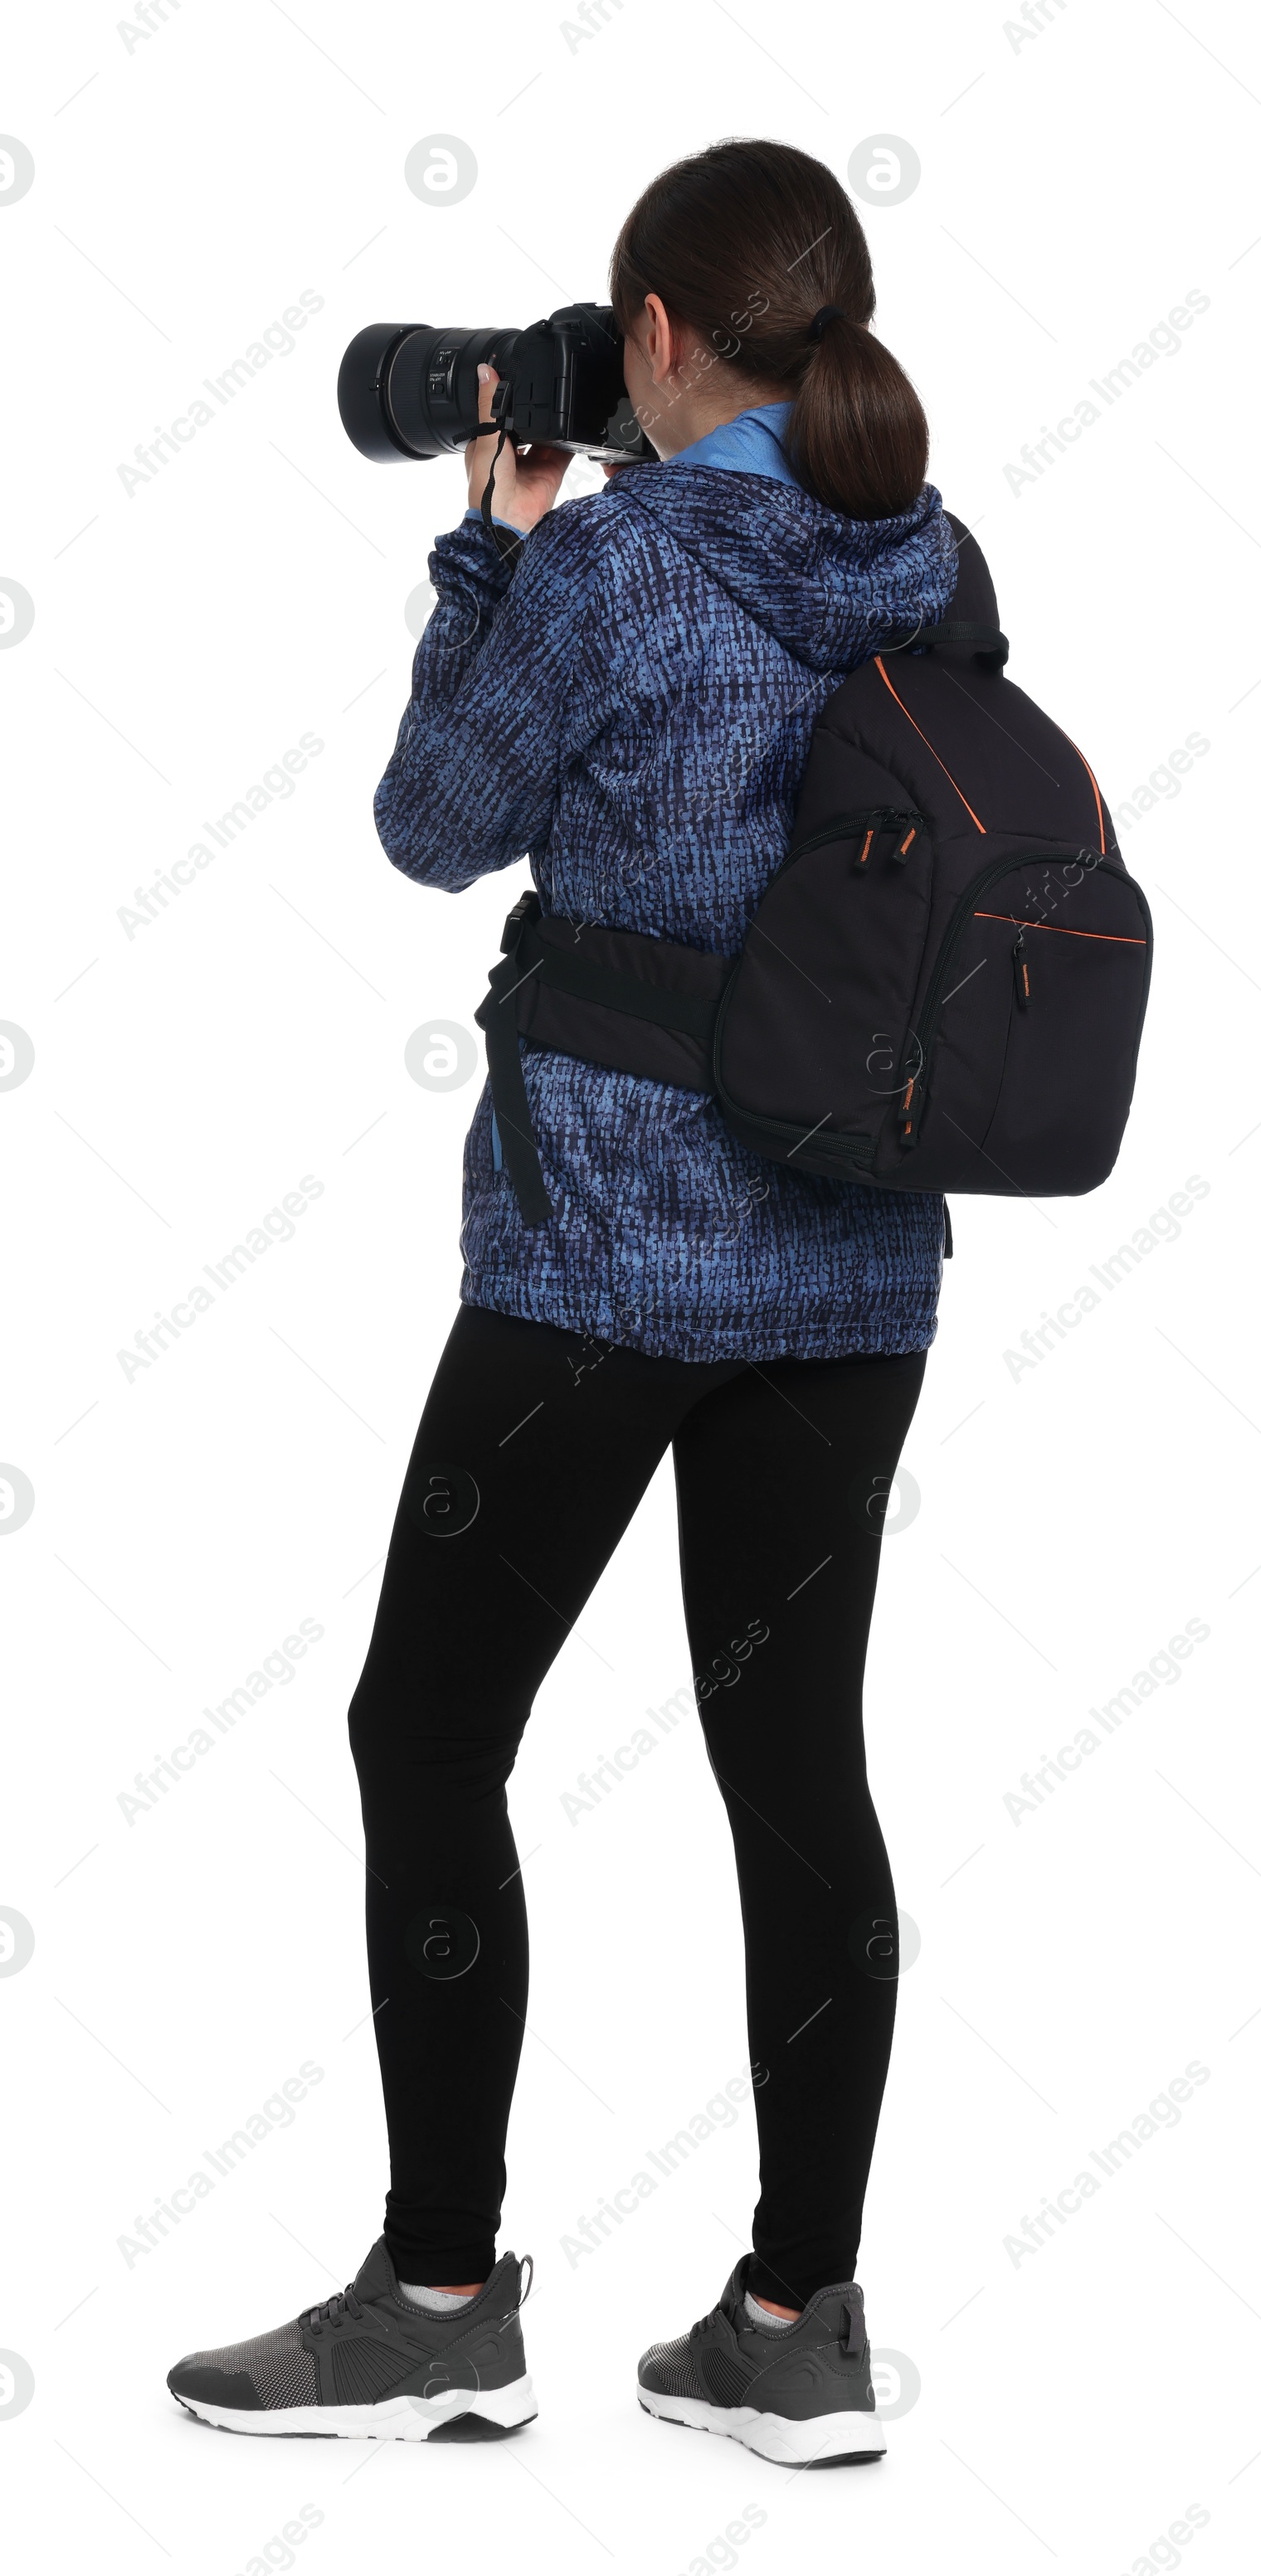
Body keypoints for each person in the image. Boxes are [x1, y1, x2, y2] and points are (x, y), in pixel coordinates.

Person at [167, 137, 957, 2465]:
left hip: (606, 1250)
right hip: (856, 1256)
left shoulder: (609, 567)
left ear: (647, 343)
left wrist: (481, 547)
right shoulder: (932, 556)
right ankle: (798, 2323)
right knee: (795, 1763)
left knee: (429, 1734)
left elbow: (434, 819)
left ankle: (438, 2294)